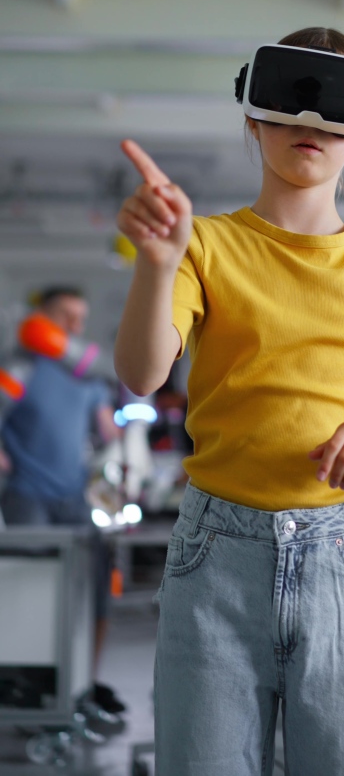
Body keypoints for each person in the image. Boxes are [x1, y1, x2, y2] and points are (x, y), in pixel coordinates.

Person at [114, 27, 344, 776]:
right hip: (216, 560)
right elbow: (141, 372)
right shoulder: (205, 245)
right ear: (253, 116)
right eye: (292, 103)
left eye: (337, 109)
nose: (312, 125)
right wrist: (158, 264)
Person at [0, 286, 125, 714]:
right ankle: (28, 680)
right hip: (27, 494)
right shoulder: (21, 367)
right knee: (31, 589)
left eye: (80, 317)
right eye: (65, 315)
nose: (74, 326)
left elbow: (108, 430)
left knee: (93, 586)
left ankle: (84, 684)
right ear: (43, 316)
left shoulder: (85, 375)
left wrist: (122, 450)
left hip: (74, 496)